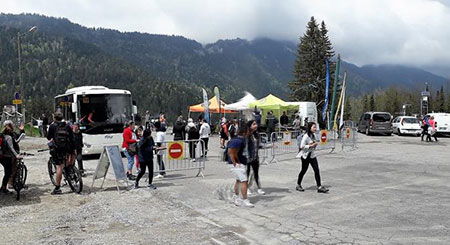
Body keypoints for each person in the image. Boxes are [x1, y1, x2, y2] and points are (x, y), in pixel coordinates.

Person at [47, 112, 76, 195]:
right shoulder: (67, 125)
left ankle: (57, 188)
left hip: (58, 148)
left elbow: (48, 137)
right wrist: (74, 149)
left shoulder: (53, 126)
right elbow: (72, 138)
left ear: (54, 118)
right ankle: (69, 171)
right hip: (67, 147)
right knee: (67, 162)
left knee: (59, 167)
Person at [296, 122, 329, 193]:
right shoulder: (306, 136)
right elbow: (302, 146)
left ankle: (319, 186)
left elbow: (313, 143)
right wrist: (310, 145)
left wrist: (314, 145)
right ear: (310, 128)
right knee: (303, 170)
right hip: (305, 156)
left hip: (312, 155)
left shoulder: (312, 135)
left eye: (315, 127)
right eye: (314, 127)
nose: (315, 128)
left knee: (316, 170)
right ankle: (298, 184)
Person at [228, 124, 254, 207]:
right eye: (248, 131)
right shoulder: (238, 141)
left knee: (239, 180)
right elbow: (231, 152)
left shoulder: (238, 139)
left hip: (237, 163)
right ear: (244, 132)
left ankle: (235, 197)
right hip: (237, 164)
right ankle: (244, 199)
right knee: (244, 181)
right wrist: (236, 163)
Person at [1, 121, 23, 194]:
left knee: (7, 172)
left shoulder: (1, 135)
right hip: (7, 156)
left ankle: (4, 187)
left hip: (1, 156)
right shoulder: (9, 137)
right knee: (9, 172)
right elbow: (11, 147)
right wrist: (16, 155)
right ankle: (4, 187)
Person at [245, 120, 265, 195]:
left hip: (255, 157)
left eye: (256, 124)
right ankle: (246, 188)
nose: (256, 125)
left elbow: (259, 145)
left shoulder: (257, 135)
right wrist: (247, 157)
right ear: (250, 126)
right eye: (254, 124)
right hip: (248, 158)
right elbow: (245, 147)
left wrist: (270, 145)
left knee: (256, 174)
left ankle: (259, 188)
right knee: (247, 174)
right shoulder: (247, 135)